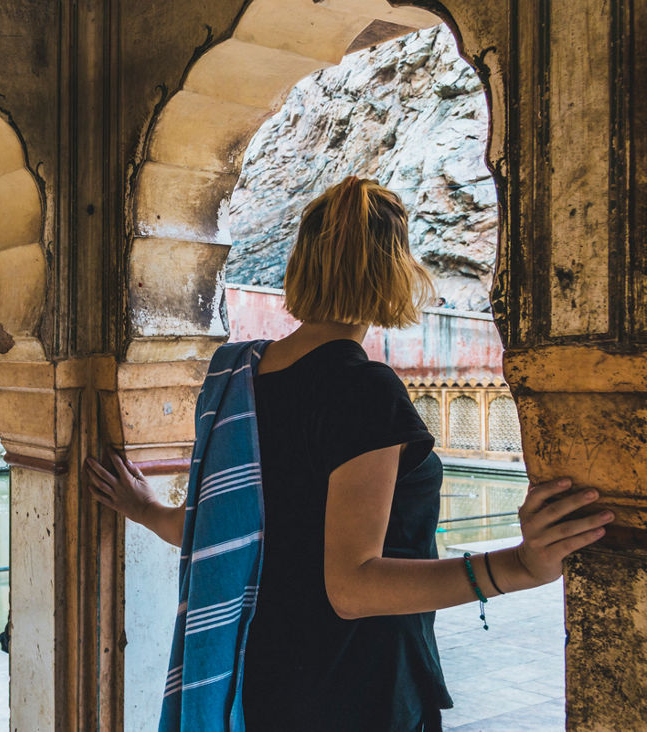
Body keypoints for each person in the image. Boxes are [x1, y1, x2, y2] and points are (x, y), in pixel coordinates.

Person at [84, 176, 611, 732]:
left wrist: (144, 509)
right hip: (353, 685)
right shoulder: (363, 390)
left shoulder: (236, 378)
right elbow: (353, 587)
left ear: (300, 267)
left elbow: (233, 533)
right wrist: (517, 566)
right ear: (396, 272)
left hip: (263, 674)